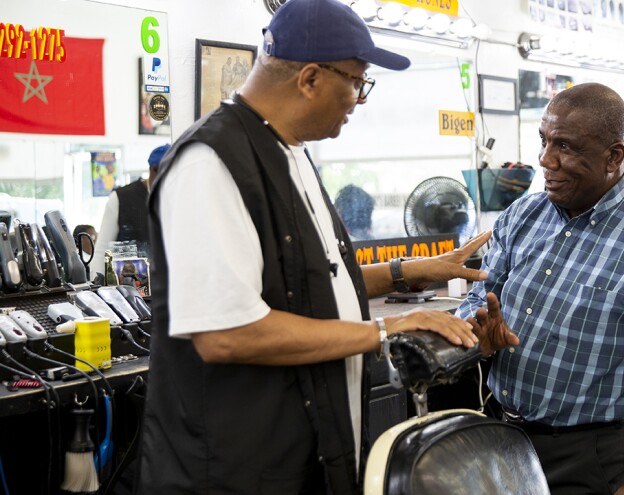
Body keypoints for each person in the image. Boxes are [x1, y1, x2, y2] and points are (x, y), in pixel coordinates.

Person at [136, 1, 496, 493]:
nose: (358, 99)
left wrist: (407, 272)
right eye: (356, 81)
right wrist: (386, 329)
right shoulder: (211, 164)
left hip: (305, 455)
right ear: (309, 78)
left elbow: (307, 283)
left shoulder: (291, 153)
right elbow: (227, 334)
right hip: (234, 471)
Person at [458, 82, 624, 495]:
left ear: (613, 157)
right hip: (505, 442)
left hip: (596, 455)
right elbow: (477, 299)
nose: (545, 160)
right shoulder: (522, 216)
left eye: (565, 146)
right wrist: (475, 333)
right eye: (544, 141)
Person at [93, 143, 170, 263]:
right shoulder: (121, 198)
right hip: (127, 278)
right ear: (154, 170)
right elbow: (102, 251)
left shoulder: (178, 199)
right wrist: (96, 279)